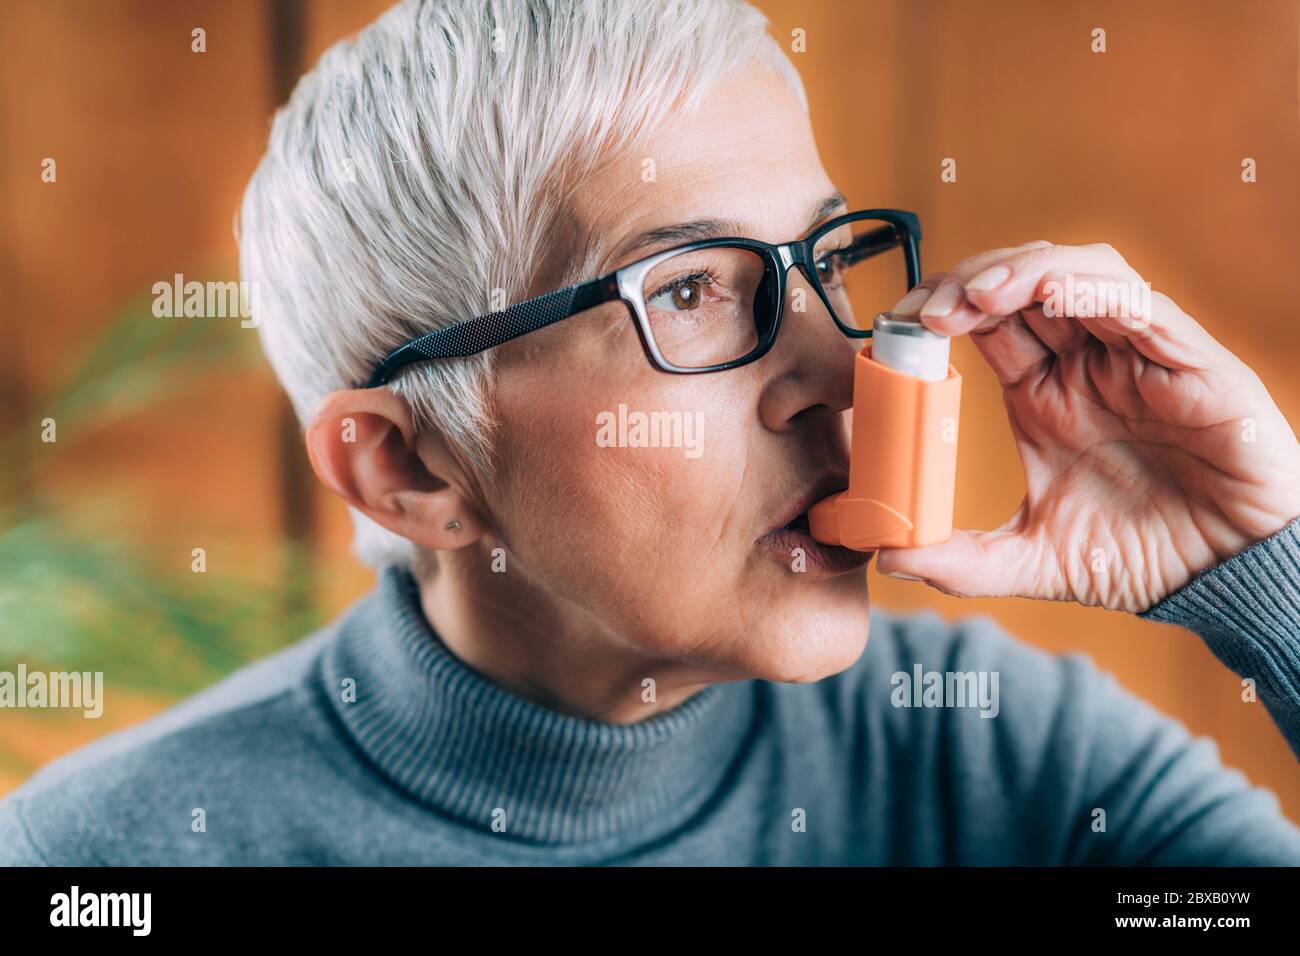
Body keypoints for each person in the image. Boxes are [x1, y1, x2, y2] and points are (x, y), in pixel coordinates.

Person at [2, 0, 1298, 865]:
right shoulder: (109, 860)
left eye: (824, 263)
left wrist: (1268, 571)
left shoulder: (997, 759)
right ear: (408, 468)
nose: (843, 372)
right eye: (683, 289)